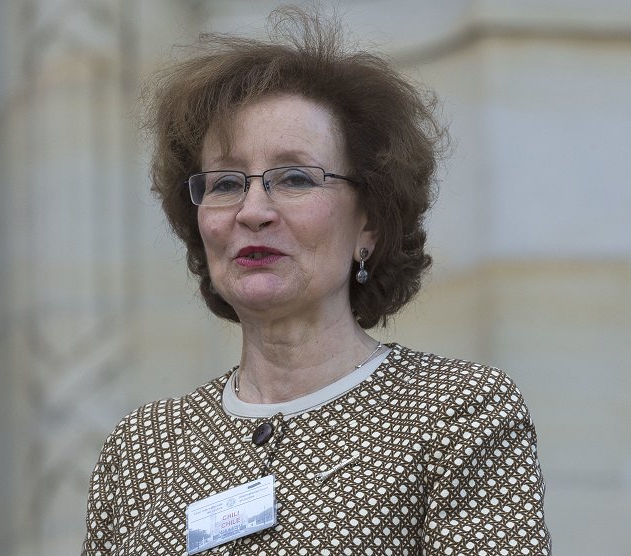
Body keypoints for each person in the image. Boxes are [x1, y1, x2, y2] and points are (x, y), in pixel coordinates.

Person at [82, 8, 551, 555]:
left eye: (295, 178)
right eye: (227, 183)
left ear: (369, 224)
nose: (253, 211)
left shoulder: (456, 412)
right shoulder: (140, 449)